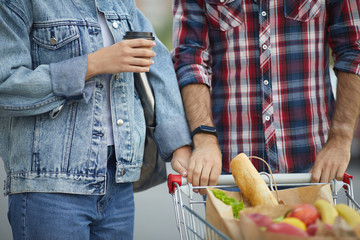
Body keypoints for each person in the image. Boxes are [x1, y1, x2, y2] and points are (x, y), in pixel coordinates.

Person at [0, 1, 191, 239]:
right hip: (49, 187)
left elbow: (157, 63)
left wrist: (178, 144)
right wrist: (92, 64)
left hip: (118, 184)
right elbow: (5, 84)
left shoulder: (120, 3)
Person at [171, 0, 360, 190]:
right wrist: (204, 140)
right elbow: (190, 59)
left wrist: (340, 139)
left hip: (313, 167)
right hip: (227, 170)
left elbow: (354, 50)